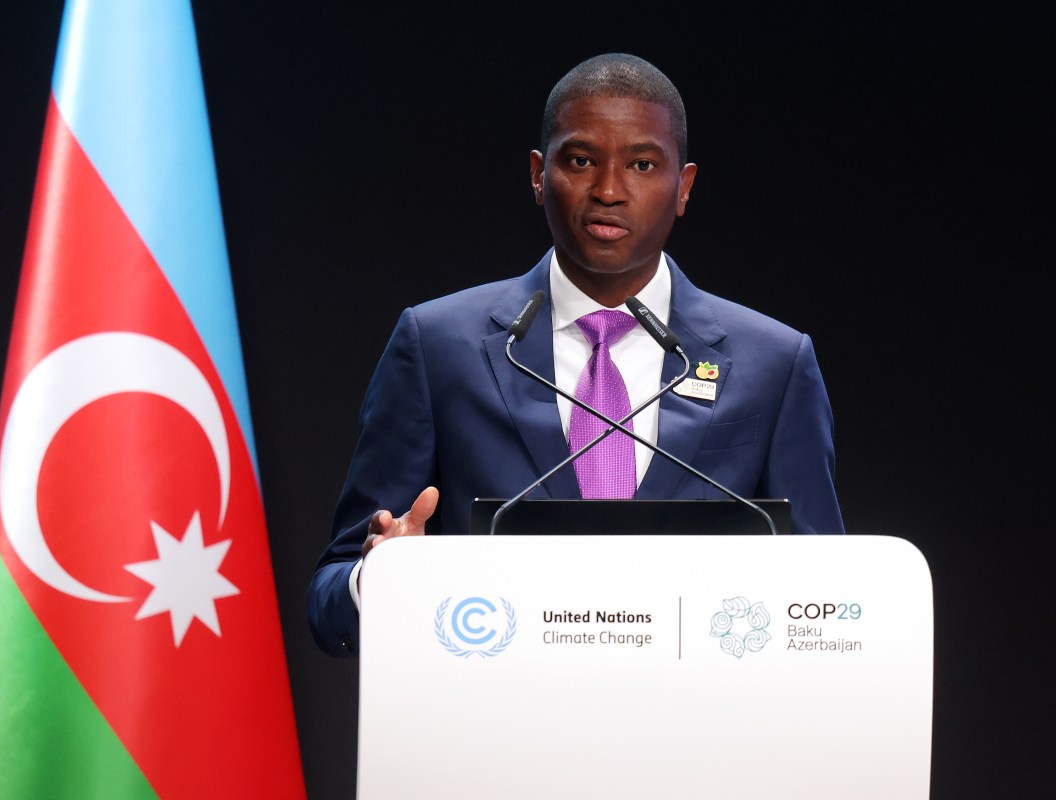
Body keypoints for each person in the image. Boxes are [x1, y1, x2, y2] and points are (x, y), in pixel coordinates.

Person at [307, 53, 844, 657]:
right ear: (539, 175)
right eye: (581, 160)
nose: (609, 191)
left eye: (642, 164)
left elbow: (826, 609)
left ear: (683, 186)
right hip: (495, 734)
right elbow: (329, 602)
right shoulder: (438, 346)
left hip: (695, 737)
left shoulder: (774, 363)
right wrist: (380, 578)